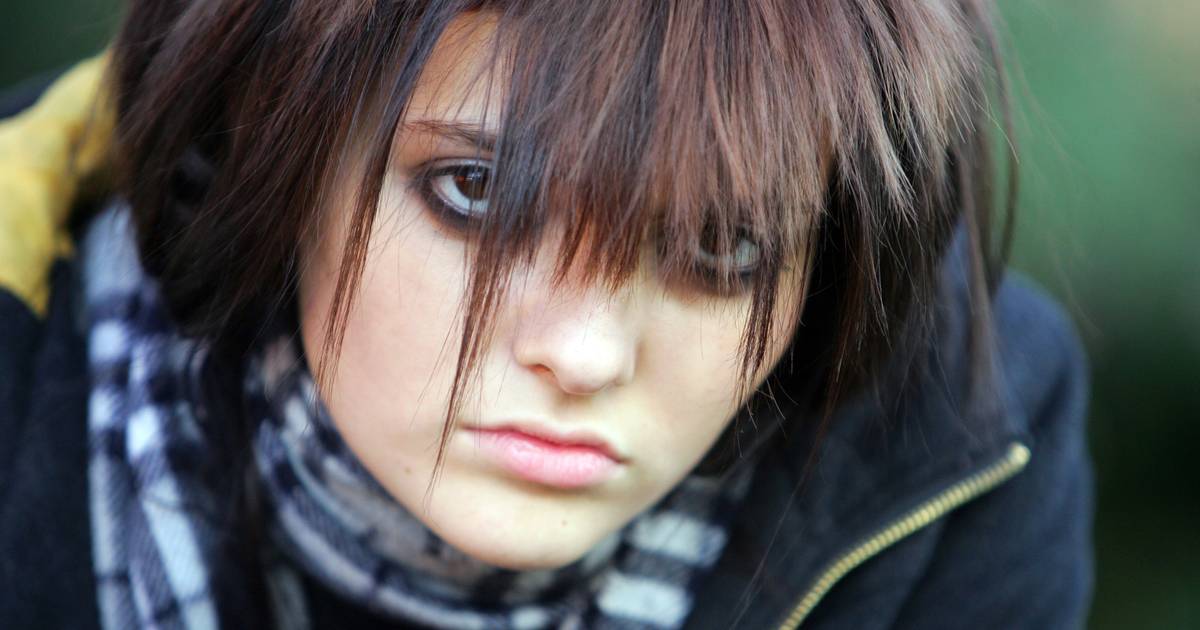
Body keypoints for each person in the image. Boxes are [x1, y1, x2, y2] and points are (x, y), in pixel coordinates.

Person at [0, 1, 1093, 629]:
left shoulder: (965, 438)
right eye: (475, 194)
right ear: (270, 141)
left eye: (723, 249)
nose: (582, 353)